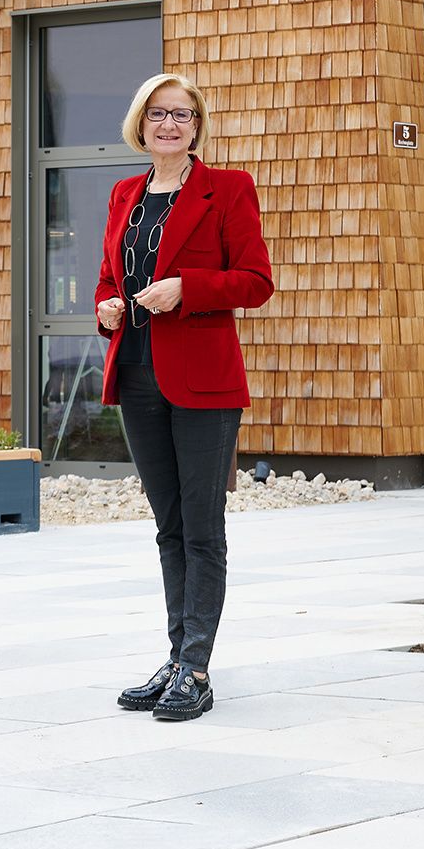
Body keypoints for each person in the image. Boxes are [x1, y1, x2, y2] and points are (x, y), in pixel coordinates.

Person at [95, 72, 273, 721]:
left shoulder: (228, 189)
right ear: (141, 123)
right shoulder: (123, 195)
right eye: (159, 114)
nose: (170, 125)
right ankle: (175, 658)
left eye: (183, 114)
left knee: (202, 530)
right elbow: (108, 278)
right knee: (168, 528)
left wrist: (185, 290)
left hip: (203, 381)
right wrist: (107, 308)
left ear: (197, 126)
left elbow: (255, 282)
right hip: (137, 376)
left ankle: (196, 667)